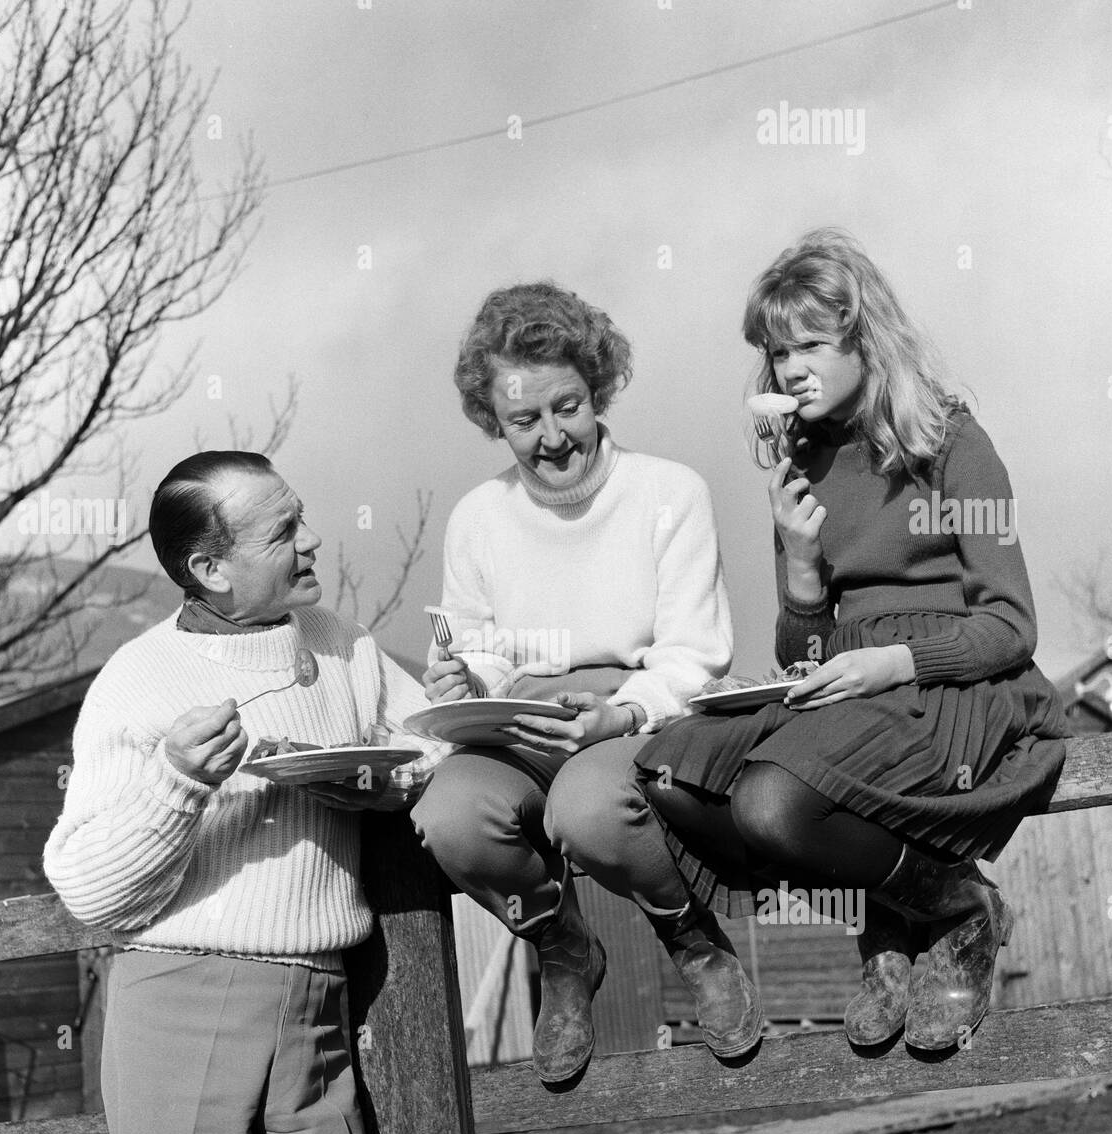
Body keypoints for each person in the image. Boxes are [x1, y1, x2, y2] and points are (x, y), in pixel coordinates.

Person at [636, 229, 1068, 1052]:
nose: (790, 369)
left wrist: (894, 662)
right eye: (777, 352)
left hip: (949, 683)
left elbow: (1013, 626)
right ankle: (892, 914)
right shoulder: (798, 460)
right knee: (671, 774)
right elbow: (803, 657)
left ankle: (961, 909)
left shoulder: (951, 443)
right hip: (851, 688)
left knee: (769, 801)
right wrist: (800, 566)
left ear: (865, 339)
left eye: (811, 344)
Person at [43, 451, 445, 1134]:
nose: (313, 540)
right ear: (211, 568)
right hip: (182, 1003)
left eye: (302, 516)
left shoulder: (344, 644)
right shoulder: (138, 678)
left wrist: (378, 782)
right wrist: (178, 782)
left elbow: (437, 746)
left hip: (318, 1007)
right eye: (284, 530)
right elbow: (90, 888)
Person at [411, 281, 748, 1084]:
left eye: (568, 407)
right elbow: (482, 651)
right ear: (493, 420)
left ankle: (692, 940)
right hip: (521, 721)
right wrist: (462, 677)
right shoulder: (477, 517)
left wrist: (621, 712)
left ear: (597, 390)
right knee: (448, 817)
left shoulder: (670, 492)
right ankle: (563, 949)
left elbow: (695, 655)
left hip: (635, 712)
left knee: (587, 810)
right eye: (523, 420)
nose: (552, 437)